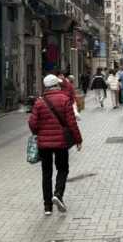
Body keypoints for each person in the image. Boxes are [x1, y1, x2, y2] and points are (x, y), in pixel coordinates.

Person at [29, 74, 83, 215]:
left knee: (46, 173)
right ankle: (58, 194)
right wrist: (78, 140)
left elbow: (32, 123)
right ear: (57, 85)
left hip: (44, 144)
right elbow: (72, 123)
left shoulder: (39, 102)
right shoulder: (64, 99)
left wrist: (39, 133)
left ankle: (47, 207)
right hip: (61, 142)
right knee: (63, 169)